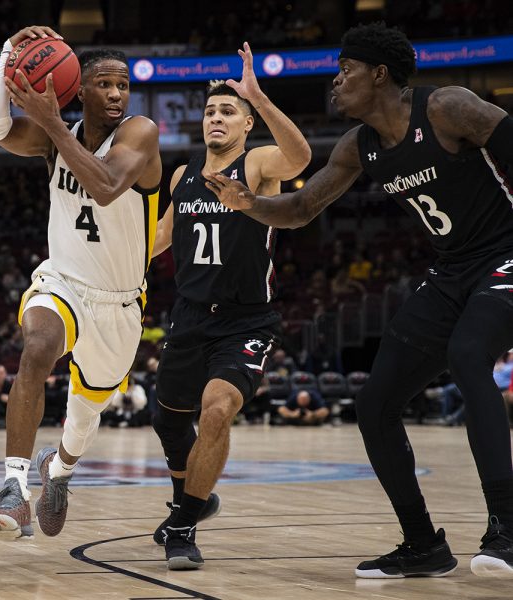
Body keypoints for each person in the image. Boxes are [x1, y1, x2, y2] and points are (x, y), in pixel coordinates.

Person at [207, 22, 513, 578]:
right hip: (451, 271)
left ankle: (508, 529)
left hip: (506, 252)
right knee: (375, 405)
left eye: (344, 71)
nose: (334, 82)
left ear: (379, 74)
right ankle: (424, 545)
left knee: (470, 356)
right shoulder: (359, 146)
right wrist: (246, 202)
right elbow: (301, 211)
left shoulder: (447, 107)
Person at [0, 25, 162, 539]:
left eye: (122, 85)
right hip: (64, 280)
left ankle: (58, 472)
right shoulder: (55, 133)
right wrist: (7, 55)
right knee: (36, 349)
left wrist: (54, 128)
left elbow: (103, 186)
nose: (116, 94)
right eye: (104, 84)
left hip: (120, 303)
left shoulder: (140, 133)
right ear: (77, 88)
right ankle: (13, 488)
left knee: (85, 414)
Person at [149, 43, 311, 569]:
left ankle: (184, 524)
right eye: (210, 111)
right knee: (169, 421)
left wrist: (259, 97)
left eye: (227, 111)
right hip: (189, 317)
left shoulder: (259, 162)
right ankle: (193, 496)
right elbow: (157, 242)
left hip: (246, 319)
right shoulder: (182, 177)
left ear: (245, 125)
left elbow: (302, 157)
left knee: (218, 409)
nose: (216, 118)